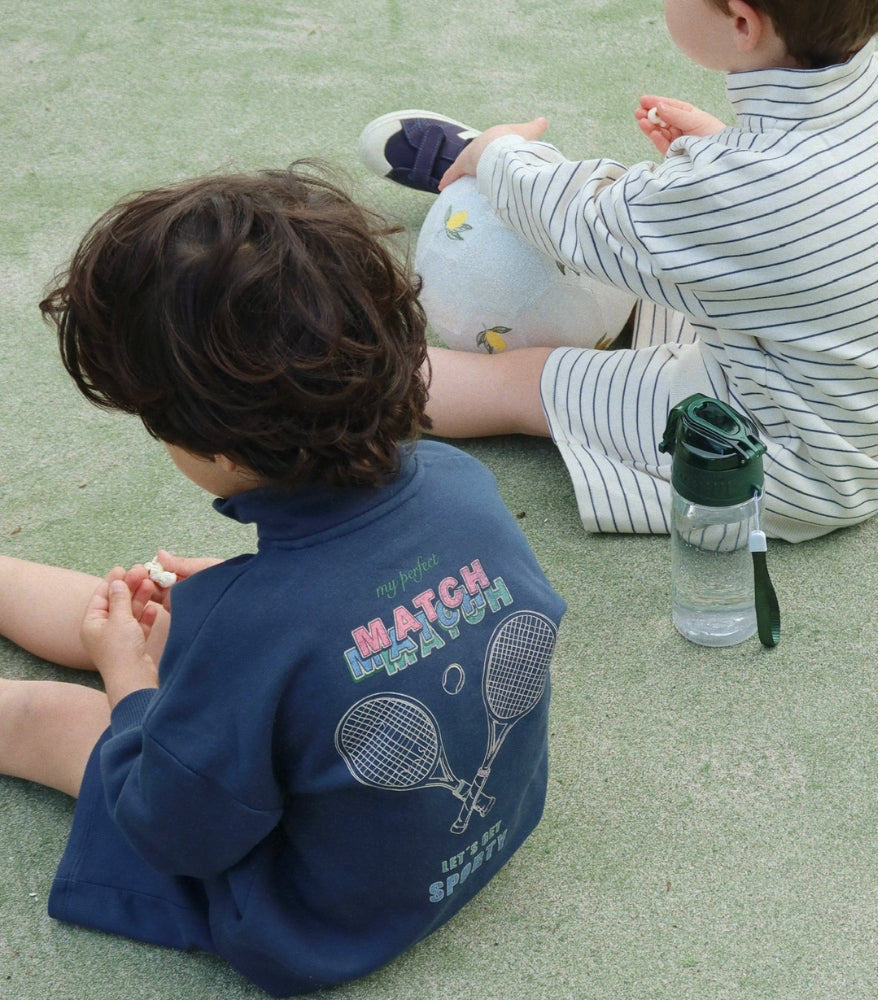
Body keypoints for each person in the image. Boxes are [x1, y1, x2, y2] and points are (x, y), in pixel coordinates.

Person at [0, 165, 565, 997]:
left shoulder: (247, 629)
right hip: (472, 831)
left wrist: (129, 686)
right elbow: (345, 616)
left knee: (51, 717)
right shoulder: (460, 481)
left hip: (319, 917)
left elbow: (174, 829)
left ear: (222, 452)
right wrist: (227, 608)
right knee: (159, 622)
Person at [359, 0, 878, 542]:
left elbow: (589, 223)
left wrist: (498, 154)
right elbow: (822, 211)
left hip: (791, 462)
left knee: (526, 376)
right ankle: (509, 185)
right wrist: (722, 152)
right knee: (651, 255)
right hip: (870, 392)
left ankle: (344, 379)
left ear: (742, 22)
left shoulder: (743, 189)